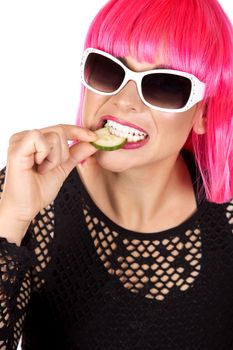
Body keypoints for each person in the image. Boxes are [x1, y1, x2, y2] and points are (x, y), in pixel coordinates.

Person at [0, 0, 233, 349]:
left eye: (165, 85)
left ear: (203, 113)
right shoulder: (22, 190)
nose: (125, 101)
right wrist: (13, 218)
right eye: (108, 69)